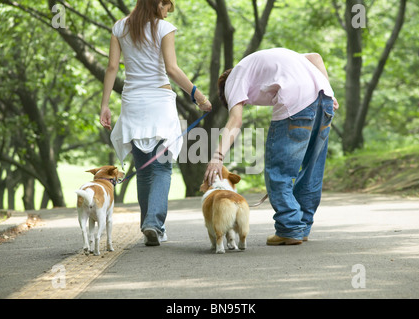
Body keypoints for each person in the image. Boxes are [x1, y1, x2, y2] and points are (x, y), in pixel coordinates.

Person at [100, 0, 212, 246]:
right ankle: (154, 223)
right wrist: (199, 97)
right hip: (159, 103)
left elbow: (111, 67)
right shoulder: (164, 28)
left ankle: (149, 225)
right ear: (158, 3)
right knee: (162, 167)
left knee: (143, 170)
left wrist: (105, 104)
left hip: (132, 103)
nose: (167, 12)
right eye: (167, 7)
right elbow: (172, 69)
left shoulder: (119, 28)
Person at [204, 48, 339, 246]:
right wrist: (330, 92)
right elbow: (316, 57)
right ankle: (301, 227)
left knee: (278, 171)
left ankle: (289, 228)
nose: (245, 103)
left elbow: (235, 120)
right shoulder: (270, 63)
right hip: (324, 99)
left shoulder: (234, 79)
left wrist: (217, 156)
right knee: (312, 169)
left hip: (296, 103)